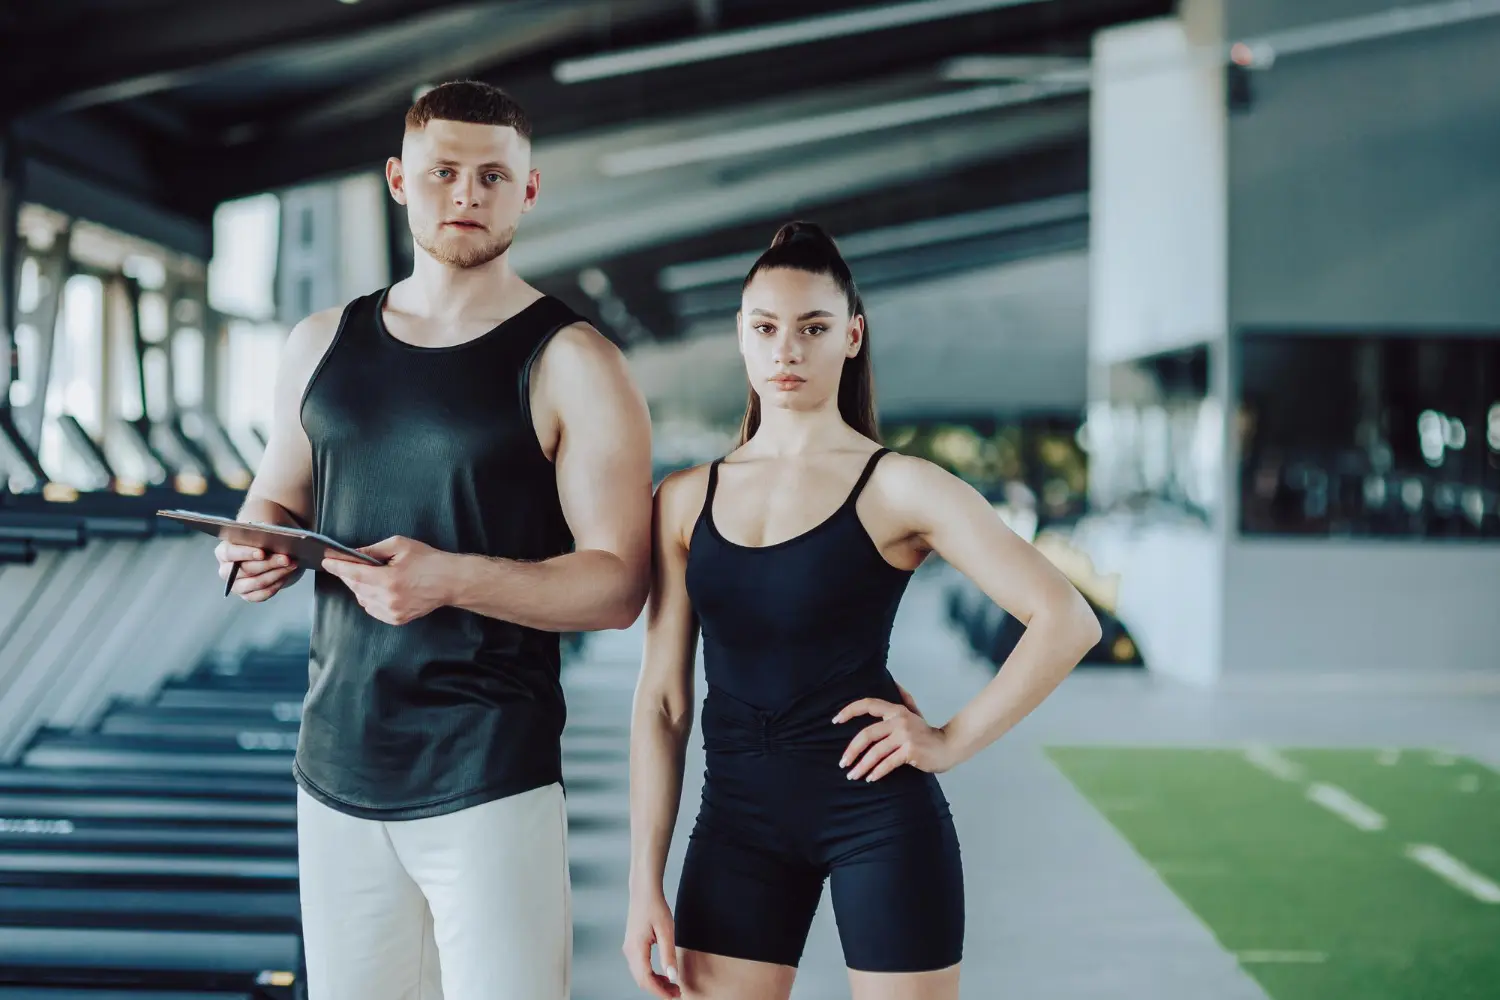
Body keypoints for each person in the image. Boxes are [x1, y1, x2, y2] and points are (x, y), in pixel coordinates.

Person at [214, 80, 654, 1000]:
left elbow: (617, 587)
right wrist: (253, 548)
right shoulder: (319, 342)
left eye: (493, 176)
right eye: (443, 172)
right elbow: (276, 498)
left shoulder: (574, 361)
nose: (467, 195)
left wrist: (450, 579)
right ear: (397, 180)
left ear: (529, 190)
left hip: (489, 770)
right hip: (333, 761)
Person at [623, 222, 1101, 1000]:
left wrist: (947, 741)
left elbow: (1066, 618)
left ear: (851, 336)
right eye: (766, 328)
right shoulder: (683, 500)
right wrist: (646, 880)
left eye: (813, 328)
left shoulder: (899, 486)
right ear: (740, 337)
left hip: (877, 821)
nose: (787, 350)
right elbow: (665, 701)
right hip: (736, 828)